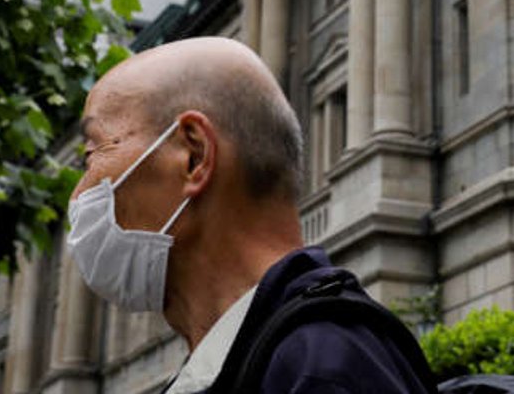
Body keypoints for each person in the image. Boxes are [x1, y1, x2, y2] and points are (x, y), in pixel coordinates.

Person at [66, 36, 434, 393]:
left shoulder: (323, 369)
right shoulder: (245, 363)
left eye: (92, 153)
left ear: (193, 156)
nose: (79, 194)